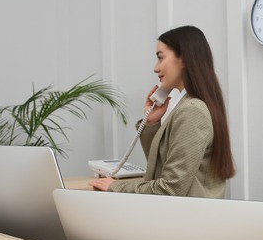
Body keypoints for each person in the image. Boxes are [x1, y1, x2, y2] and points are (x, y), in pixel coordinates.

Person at [89, 25, 235, 198]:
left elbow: (170, 189)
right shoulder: (189, 106)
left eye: (160, 58)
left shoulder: (192, 111)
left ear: (185, 59)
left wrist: (116, 187)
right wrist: (151, 123)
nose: (155, 68)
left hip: (187, 220)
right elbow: (163, 169)